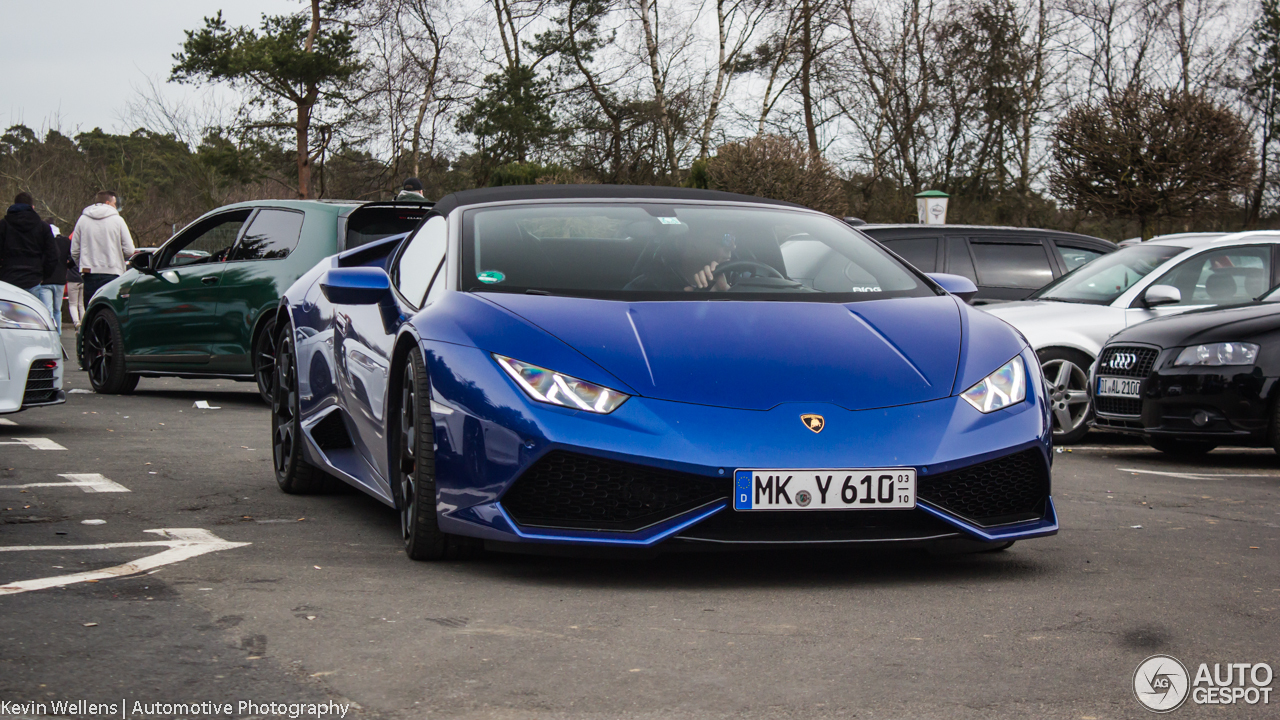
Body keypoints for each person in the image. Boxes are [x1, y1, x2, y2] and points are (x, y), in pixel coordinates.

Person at [71, 191, 135, 300]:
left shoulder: (82, 220)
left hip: (89, 273)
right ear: (108, 203)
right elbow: (129, 250)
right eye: (115, 203)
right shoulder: (118, 220)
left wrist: (84, 264)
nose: (116, 207)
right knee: (111, 310)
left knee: (92, 310)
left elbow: (74, 251)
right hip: (113, 273)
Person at [626, 230, 737, 291]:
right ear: (687, 246)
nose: (733, 246)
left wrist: (726, 293)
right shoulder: (646, 288)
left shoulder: (742, 279)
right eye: (725, 239)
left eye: (733, 239)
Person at [0, 192, 59, 300]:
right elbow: (53, 255)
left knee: (8, 315)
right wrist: (43, 275)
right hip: (33, 278)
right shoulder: (43, 227)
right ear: (32, 207)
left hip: (8, 277)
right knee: (30, 314)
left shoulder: (3, 225)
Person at [34, 218, 73, 334]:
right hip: (61, 280)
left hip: (45, 280)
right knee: (57, 310)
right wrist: (67, 266)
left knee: (48, 310)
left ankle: (50, 333)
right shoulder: (66, 241)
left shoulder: (43, 241)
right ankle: (58, 332)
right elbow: (74, 258)